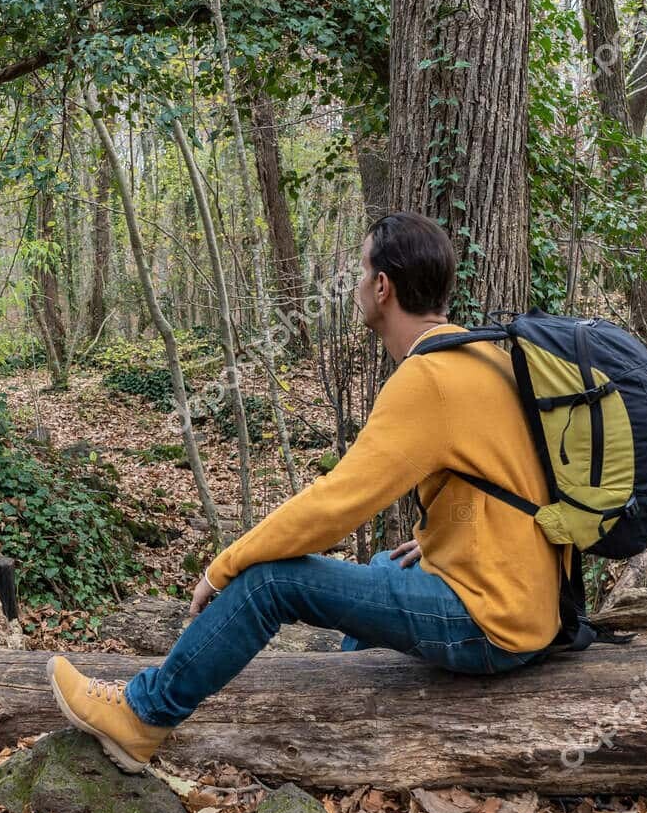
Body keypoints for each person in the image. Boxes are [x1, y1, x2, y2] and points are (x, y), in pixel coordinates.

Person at [47, 210, 565, 772]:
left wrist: (223, 566)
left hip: (493, 625)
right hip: (535, 607)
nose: (356, 287)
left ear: (383, 287)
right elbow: (513, 481)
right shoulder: (483, 355)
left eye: (360, 273)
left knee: (271, 581)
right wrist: (449, 539)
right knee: (385, 566)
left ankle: (143, 716)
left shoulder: (428, 379)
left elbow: (333, 506)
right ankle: (349, 710)